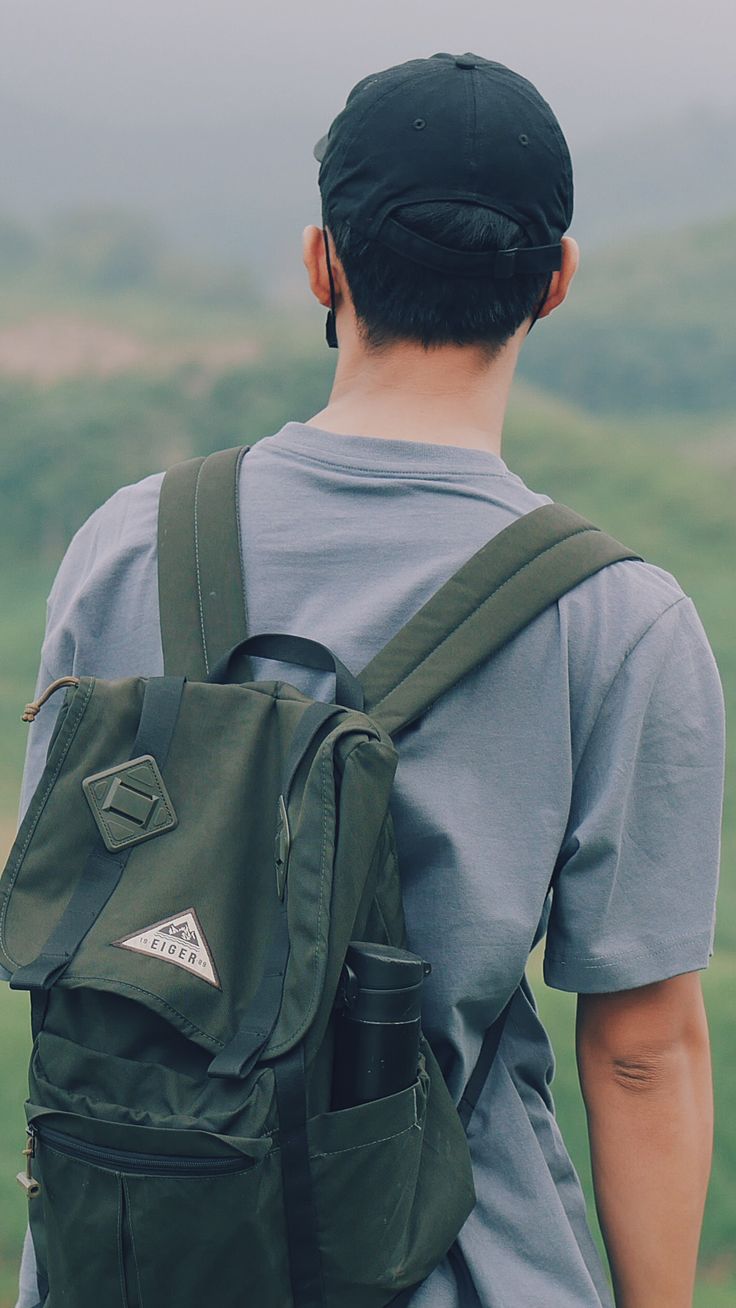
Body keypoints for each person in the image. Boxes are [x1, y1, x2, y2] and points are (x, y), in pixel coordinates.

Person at [14, 52, 724, 1308]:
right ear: (553, 282)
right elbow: (636, 1050)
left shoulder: (127, 541)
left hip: (125, 1256)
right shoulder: (617, 620)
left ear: (320, 264)